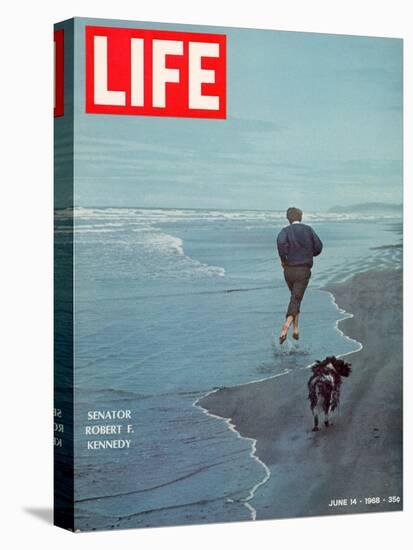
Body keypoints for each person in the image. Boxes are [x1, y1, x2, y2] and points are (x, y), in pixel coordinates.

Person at [276, 207, 323, 344]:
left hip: (288, 270)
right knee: (296, 298)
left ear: (288, 218)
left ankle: (296, 329)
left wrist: (283, 259)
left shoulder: (284, 231)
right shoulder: (308, 230)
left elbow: (280, 243)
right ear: (301, 217)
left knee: (295, 298)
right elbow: (319, 247)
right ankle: (286, 326)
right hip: (303, 269)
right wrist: (309, 253)